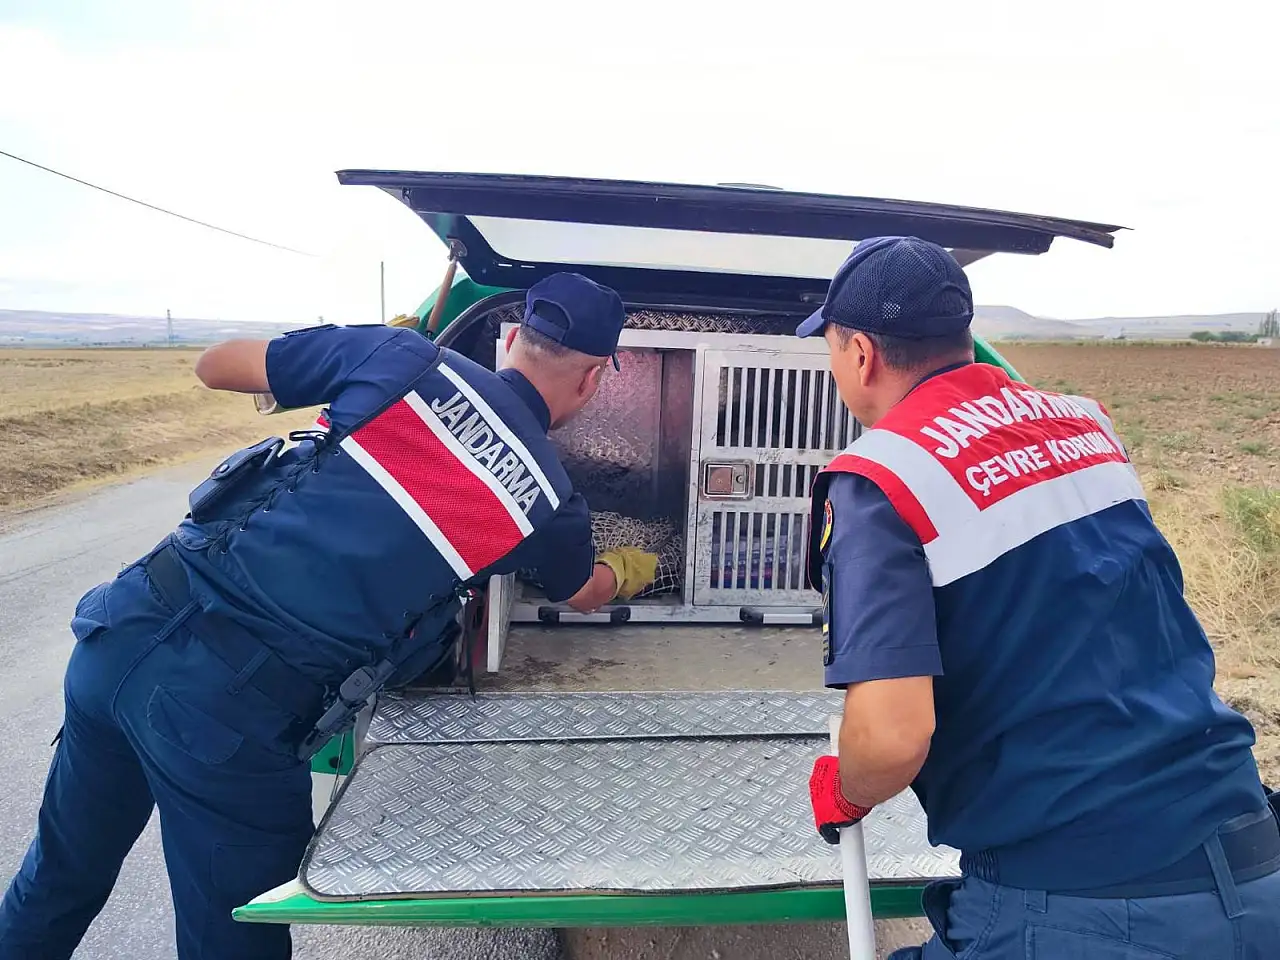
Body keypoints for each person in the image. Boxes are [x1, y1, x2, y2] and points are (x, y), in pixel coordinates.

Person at [0, 272, 659, 960]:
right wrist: (635, 567)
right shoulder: (548, 498)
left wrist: (353, 351)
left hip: (123, 632)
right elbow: (580, 589)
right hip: (227, 717)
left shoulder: (402, 357)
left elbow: (214, 364)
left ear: (516, 337)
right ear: (592, 383)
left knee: (56, 880)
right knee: (230, 941)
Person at [800, 237, 1280, 958]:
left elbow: (894, 736)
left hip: (1089, 904)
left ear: (861, 354)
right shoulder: (1085, 425)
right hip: (1251, 855)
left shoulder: (881, 478)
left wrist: (852, 788)